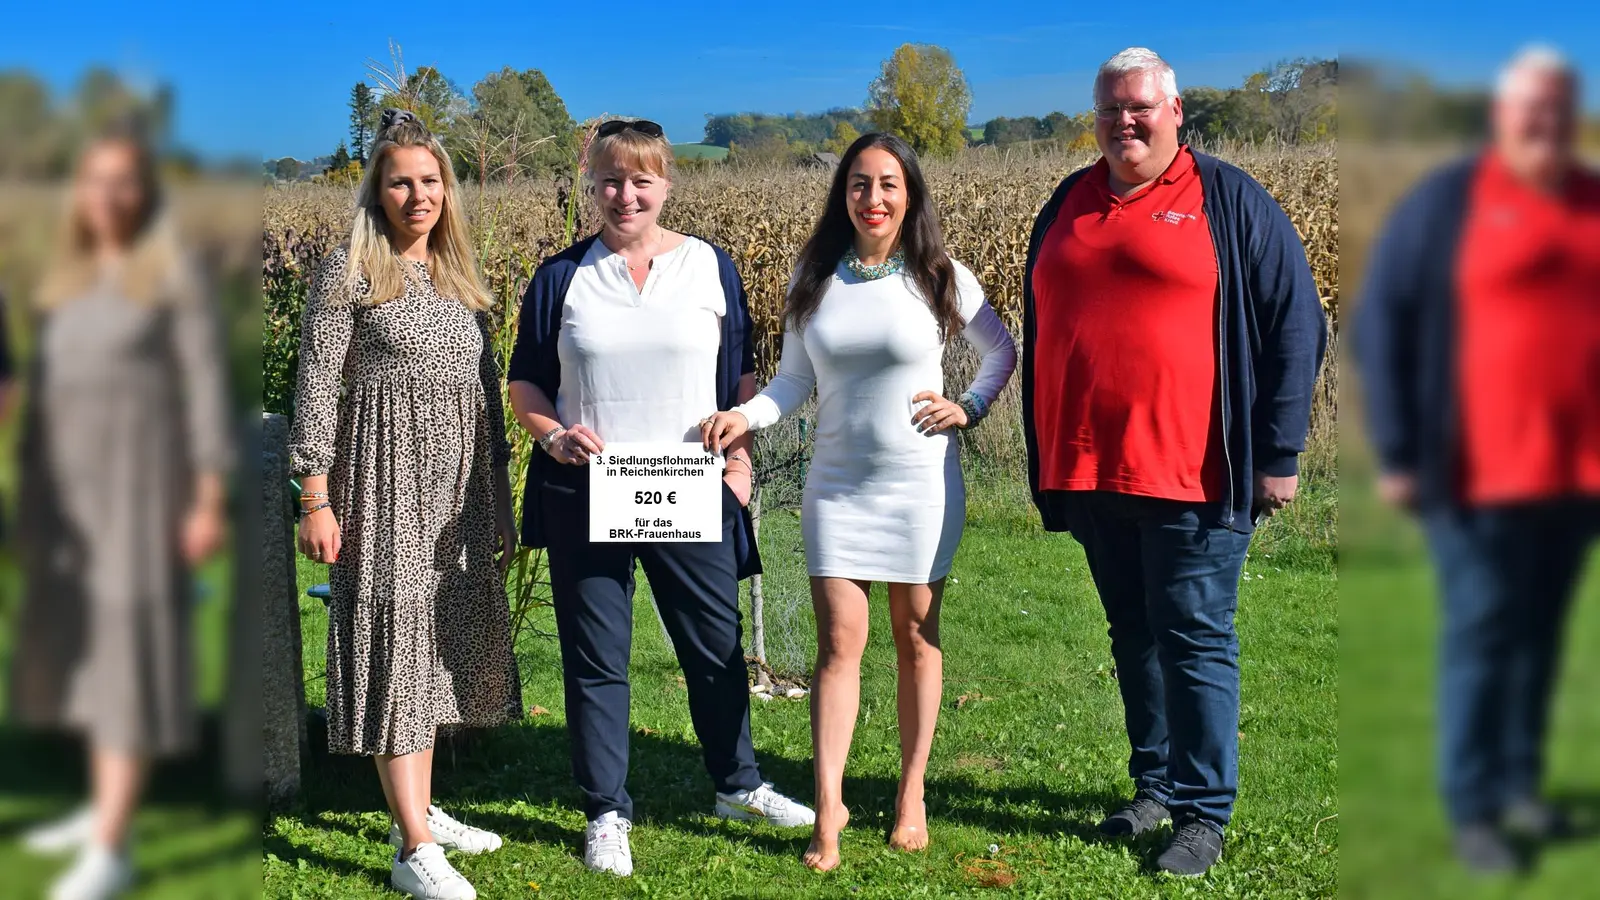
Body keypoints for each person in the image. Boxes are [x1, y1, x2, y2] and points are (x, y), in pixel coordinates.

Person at [1019, 48, 1326, 877]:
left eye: (1140, 106)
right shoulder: (1069, 201)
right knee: (1134, 635)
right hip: (1091, 470)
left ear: (1175, 110)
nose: (1126, 120)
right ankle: (1153, 783)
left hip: (1197, 471)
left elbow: (1299, 321)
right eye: (1111, 107)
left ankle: (1202, 812)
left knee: (1194, 636)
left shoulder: (1225, 199)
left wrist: (1280, 450)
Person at [701, 130, 1017, 871]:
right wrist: (747, 416)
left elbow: (1001, 353)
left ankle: (911, 793)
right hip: (836, 486)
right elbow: (792, 382)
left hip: (920, 485)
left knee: (916, 639)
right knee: (839, 646)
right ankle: (830, 808)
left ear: (909, 195)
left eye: (887, 185)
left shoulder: (938, 273)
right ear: (842, 195)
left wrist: (967, 405)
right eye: (858, 185)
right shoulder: (814, 275)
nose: (872, 199)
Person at [506, 118, 813, 878]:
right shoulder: (560, 277)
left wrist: (739, 460)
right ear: (593, 186)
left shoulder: (711, 267)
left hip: (692, 488)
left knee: (713, 645)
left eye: (641, 180)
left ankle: (737, 784)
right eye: (611, 180)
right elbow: (526, 382)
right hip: (589, 493)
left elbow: (740, 377)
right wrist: (551, 437)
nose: (625, 195)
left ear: (667, 183)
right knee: (596, 658)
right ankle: (606, 809)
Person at [1351, 45, 1599, 873]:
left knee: (1538, 637)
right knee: (1483, 636)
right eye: (1530, 109)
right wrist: (1396, 450)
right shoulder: (1449, 204)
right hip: (1473, 474)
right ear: (1503, 116)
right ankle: (1472, 807)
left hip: (1577, 474)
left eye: (1558, 110)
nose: (1544, 124)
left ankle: (1521, 784)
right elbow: (1381, 323)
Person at [288, 108, 521, 900]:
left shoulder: (458, 276)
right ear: (377, 191)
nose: (417, 195)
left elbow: (486, 394)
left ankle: (416, 808)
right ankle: (412, 848)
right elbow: (317, 384)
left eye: (430, 181)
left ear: (446, 190)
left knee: (433, 642)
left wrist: (497, 495)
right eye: (400, 182)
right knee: (394, 638)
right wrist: (314, 494)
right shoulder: (350, 271)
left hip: (456, 487)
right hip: (382, 479)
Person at [10, 124, 234, 900]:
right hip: (62, 498)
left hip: (140, 495)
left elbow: (205, 398)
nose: (106, 197)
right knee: (72, 652)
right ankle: (97, 806)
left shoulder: (170, 279)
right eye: (93, 181)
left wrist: (205, 500)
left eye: (122, 182)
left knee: (121, 666)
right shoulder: (69, 278)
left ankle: (112, 841)